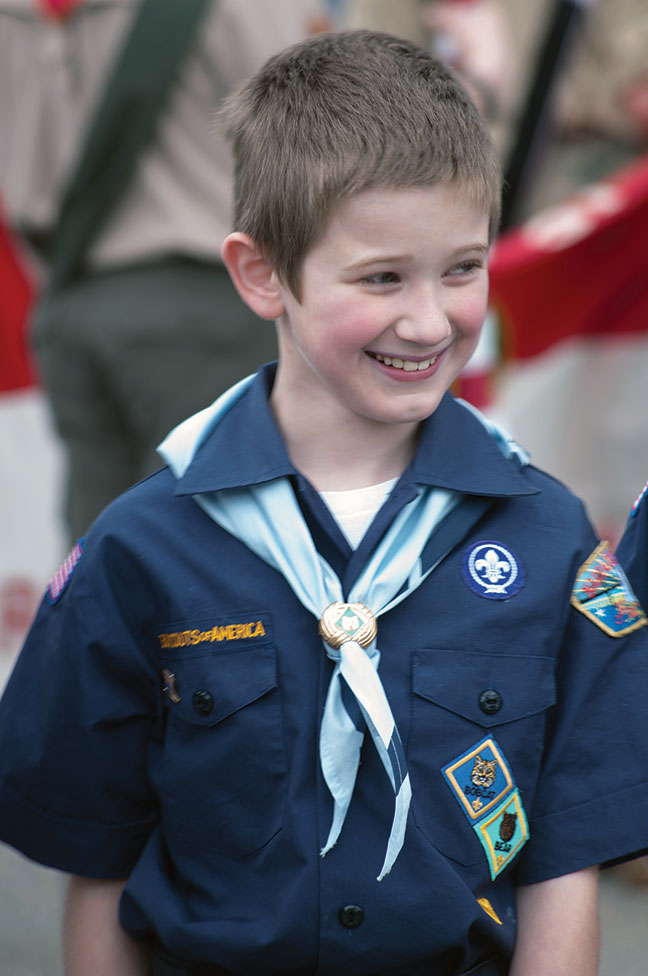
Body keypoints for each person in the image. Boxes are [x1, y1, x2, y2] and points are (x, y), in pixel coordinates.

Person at [1, 29, 648, 976]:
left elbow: (563, 856)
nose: (429, 320)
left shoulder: (547, 539)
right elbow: (103, 859)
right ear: (263, 274)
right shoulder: (140, 548)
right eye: (382, 277)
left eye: (462, 268)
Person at [0, 0, 327, 542]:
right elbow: (314, 131)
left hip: (72, 303)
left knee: (103, 550)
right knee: (207, 547)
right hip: (208, 302)